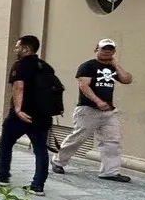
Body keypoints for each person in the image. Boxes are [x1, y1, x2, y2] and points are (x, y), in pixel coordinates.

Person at [53, 38, 133, 183]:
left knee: (112, 141)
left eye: (110, 49)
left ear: (114, 51)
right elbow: (84, 86)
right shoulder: (88, 66)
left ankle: (110, 171)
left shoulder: (112, 68)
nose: (107, 51)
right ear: (97, 49)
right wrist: (98, 101)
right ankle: (58, 161)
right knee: (78, 138)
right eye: (104, 49)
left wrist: (115, 64)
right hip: (88, 109)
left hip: (109, 112)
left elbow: (127, 79)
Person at [0, 35, 54, 195]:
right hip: (42, 115)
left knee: (5, 142)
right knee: (40, 150)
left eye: (18, 47)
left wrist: (18, 110)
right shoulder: (46, 67)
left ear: (26, 49)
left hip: (22, 114)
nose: (15, 50)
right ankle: (38, 185)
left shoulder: (20, 66)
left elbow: (18, 87)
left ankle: (3, 175)